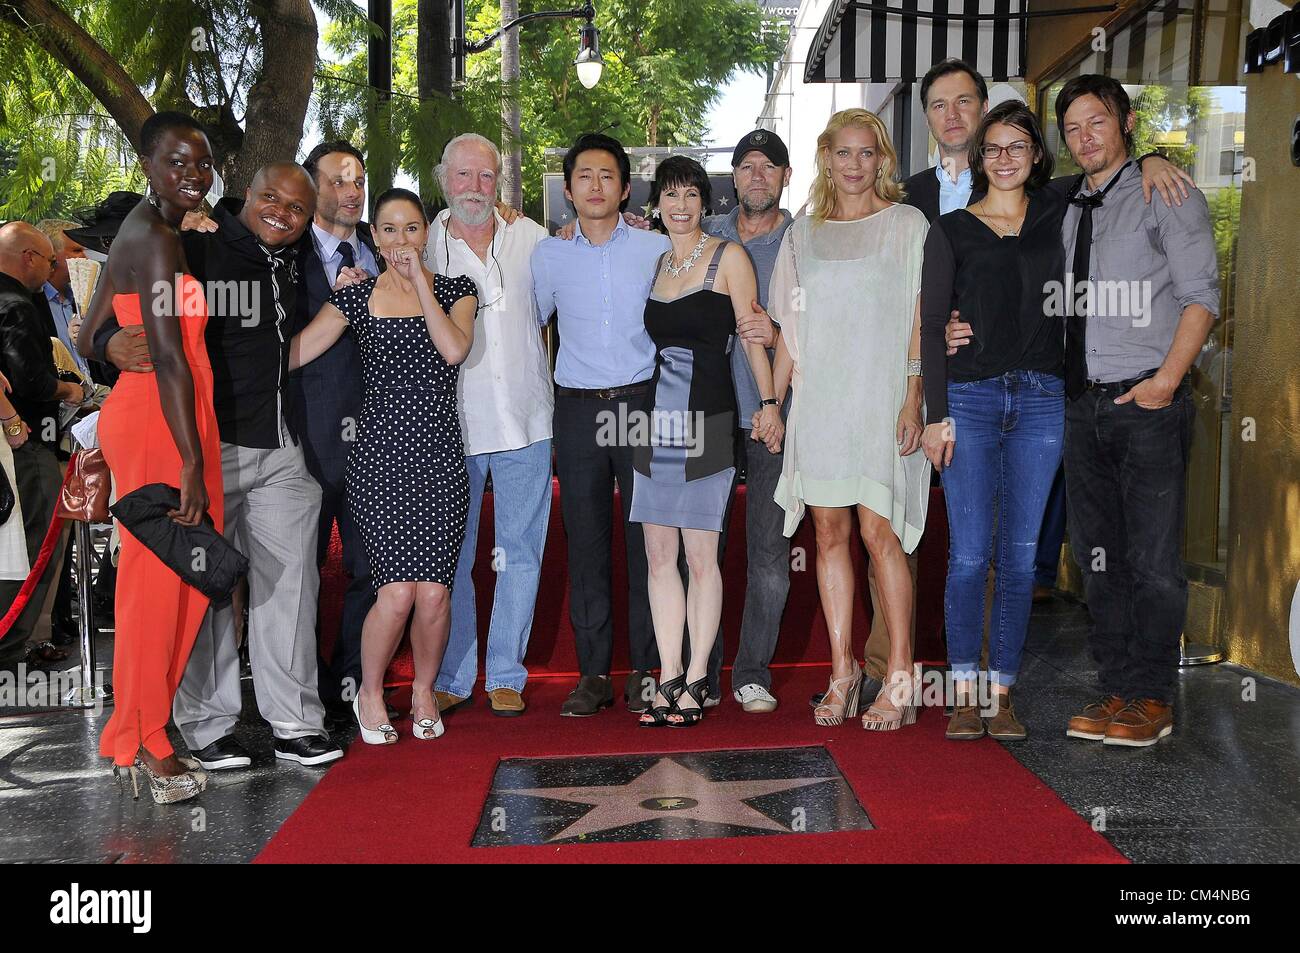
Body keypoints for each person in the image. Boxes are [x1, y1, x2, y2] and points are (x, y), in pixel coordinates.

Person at [945, 76, 1219, 747]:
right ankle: (1115, 689)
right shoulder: (1061, 205)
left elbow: (1203, 296)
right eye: (1072, 128)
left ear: (1126, 122)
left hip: (1147, 401)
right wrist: (956, 324)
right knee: (1099, 558)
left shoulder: (1164, 191)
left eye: (1097, 123)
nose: (1085, 138)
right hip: (1077, 405)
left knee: (1153, 559)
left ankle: (1151, 697)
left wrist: (1166, 381)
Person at [93, 161, 344, 770]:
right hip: (208, 447)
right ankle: (207, 726)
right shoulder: (195, 243)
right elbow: (109, 315)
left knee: (291, 583)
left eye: (297, 208)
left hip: (283, 445)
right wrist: (104, 348)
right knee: (207, 585)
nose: (281, 213)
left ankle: (294, 721)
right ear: (249, 195)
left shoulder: (303, 256)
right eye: (270, 199)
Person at [291, 187, 477, 744]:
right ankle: (368, 692)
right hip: (379, 456)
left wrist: (421, 285)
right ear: (374, 236)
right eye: (390, 230)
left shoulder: (457, 291)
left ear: (428, 234)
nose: (401, 241)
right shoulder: (353, 299)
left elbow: (453, 352)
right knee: (395, 592)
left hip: (440, 453)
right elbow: (295, 352)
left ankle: (423, 690)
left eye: (412, 229)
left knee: (435, 593)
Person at [768, 108, 930, 730]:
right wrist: (773, 406)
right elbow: (792, 331)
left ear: (882, 160)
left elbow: (921, 318)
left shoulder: (908, 226)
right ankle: (841, 673)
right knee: (829, 535)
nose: (855, 165)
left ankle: (899, 678)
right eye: (844, 153)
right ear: (826, 158)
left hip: (881, 403)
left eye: (867, 153)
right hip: (822, 405)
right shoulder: (802, 234)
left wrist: (914, 397)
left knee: (879, 535)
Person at [74, 112, 220, 802]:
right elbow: (167, 357)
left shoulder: (144, 226)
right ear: (147, 163)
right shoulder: (155, 238)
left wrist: (103, 346)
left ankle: (149, 728)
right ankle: (138, 737)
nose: (193, 176)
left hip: (169, 419)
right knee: (156, 590)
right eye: (178, 163)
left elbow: (88, 328)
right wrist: (190, 463)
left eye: (202, 164)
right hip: (166, 425)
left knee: (176, 585)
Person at [920, 102, 1066, 742]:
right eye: (994, 147)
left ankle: (1001, 693)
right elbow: (930, 326)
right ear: (978, 158)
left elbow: (1112, 174)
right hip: (971, 400)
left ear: (1036, 155)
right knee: (969, 555)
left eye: (1018, 146)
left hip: (1042, 398)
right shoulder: (951, 229)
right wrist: (934, 414)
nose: (1005, 157)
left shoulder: (1061, 217)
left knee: (1020, 556)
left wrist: (1148, 162)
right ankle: (962, 691)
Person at [629, 156, 782, 727]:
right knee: (659, 556)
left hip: (708, 420)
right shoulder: (657, 262)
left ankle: (699, 678)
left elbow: (751, 339)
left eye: (691, 194)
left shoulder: (728, 258)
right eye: (670, 195)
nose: (680, 205)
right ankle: (668, 676)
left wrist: (768, 405)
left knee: (700, 556)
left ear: (704, 200)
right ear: (657, 203)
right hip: (653, 423)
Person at [531, 133, 670, 717]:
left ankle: (646, 669)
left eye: (606, 176)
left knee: (649, 541)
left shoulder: (655, 247)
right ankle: (593, 674)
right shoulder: (549, 254)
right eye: (583, 176)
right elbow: (534, 322)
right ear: (567, 190)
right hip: (579, 408)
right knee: (585, 540)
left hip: (641, 401)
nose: (595, 185)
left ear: (625, 188)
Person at [430, 134, 553, 718]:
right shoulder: (423, 243)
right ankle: (453, 676)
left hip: (528, 421)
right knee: (452, 556)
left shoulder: (532, 238)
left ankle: (506, 671)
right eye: (463, 176)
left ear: (498, 182)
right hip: (450, 427)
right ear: (443, 179)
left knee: (520, 553)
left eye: (486, 177)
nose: (474, 188)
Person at [288, 140, 382, 718]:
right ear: (311, 187)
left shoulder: (381, 244)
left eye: (359, 180)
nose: (351, 191)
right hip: (307, 436)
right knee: (298, 571)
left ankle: (351, 685)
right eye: (337, 180)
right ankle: (300, 690)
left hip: (378, 437)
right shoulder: (283, 252)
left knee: (371, 569)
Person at [0, 222, 87, 671]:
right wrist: (70, 391)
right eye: (51, 260)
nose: (57, 268)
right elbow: (29, 380)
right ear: (29, 257)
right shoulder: (17, 305)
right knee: (37, 547)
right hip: (25, 447)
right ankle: (9, 649)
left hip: (16, 445)